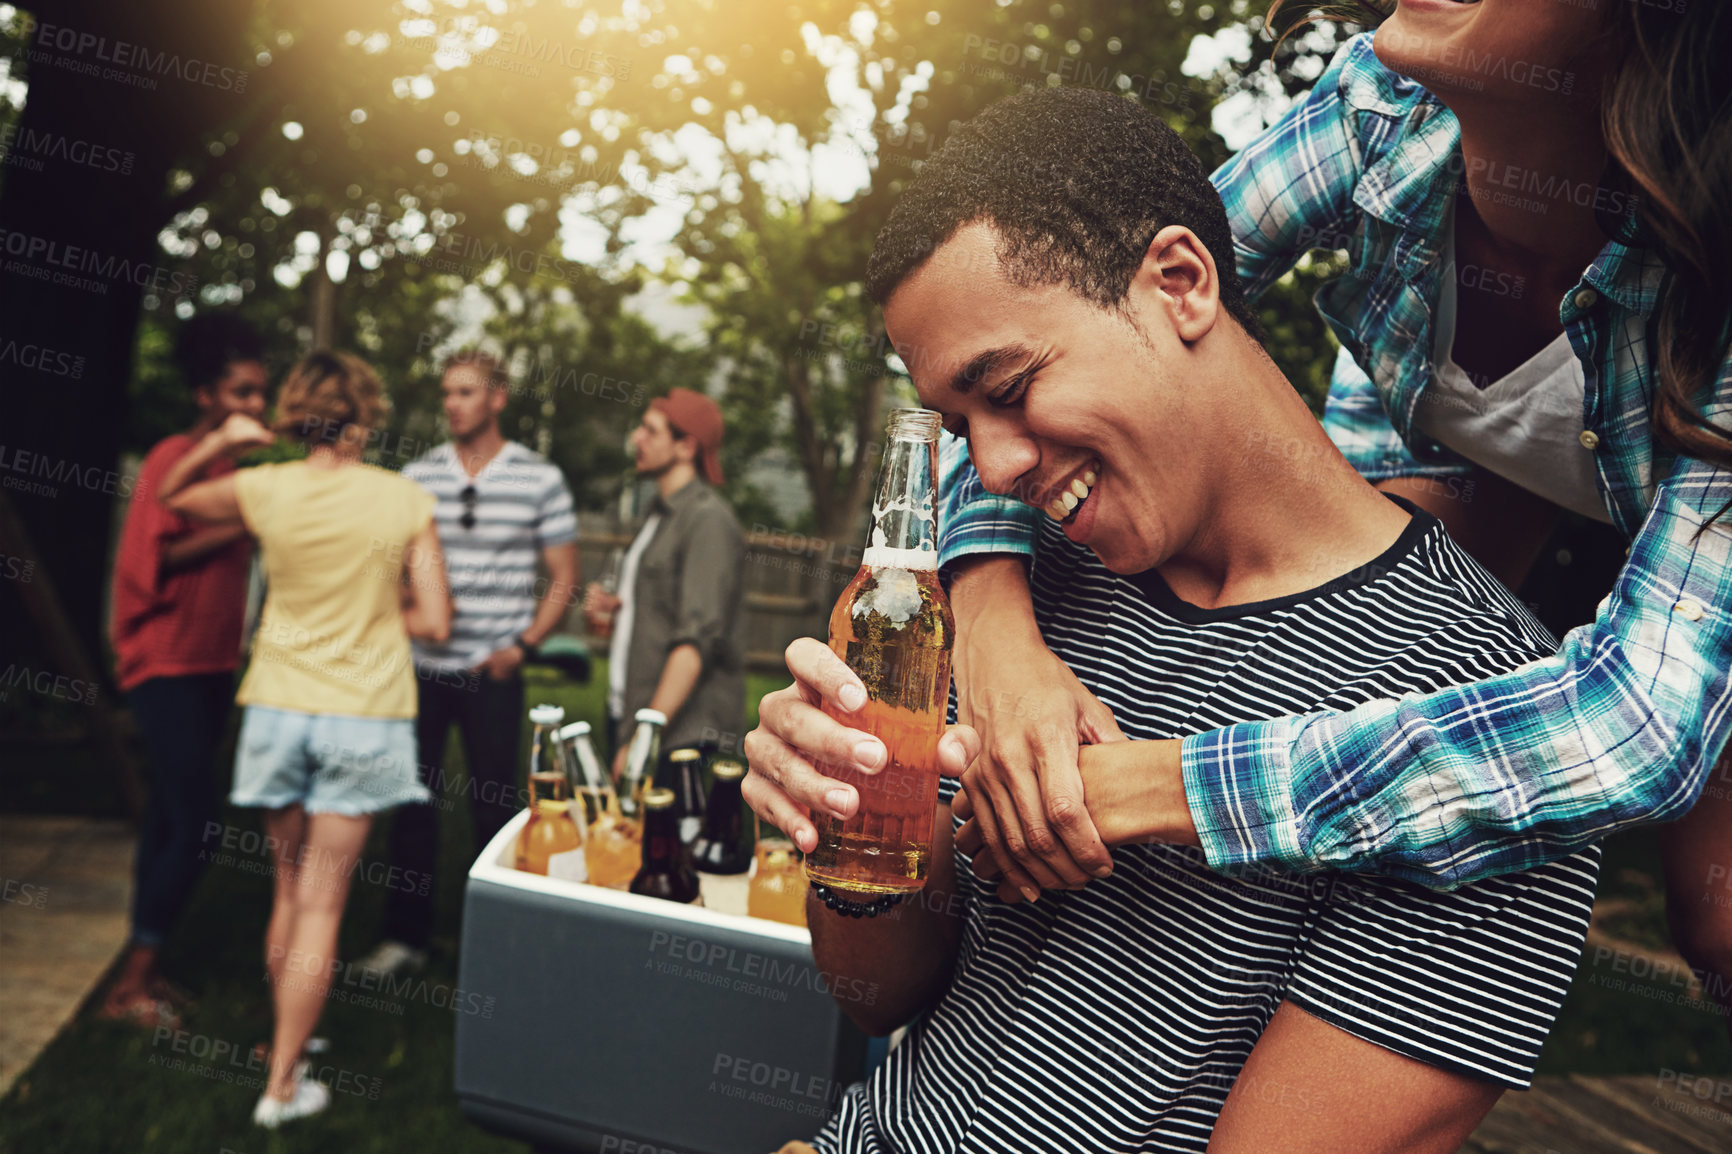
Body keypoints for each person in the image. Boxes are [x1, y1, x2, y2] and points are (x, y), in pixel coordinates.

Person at [744, 86, 1600, 1152]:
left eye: (1008, 384)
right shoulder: (995, 589)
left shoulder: (1492, 727)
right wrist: (864, 834)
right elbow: (875, 996)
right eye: (962, 423)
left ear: (1181, 284)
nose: (996, 465)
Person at [871, 0, 1732, 1005]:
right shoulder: (1382, 108)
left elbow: (1630, 727)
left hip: (1683, 553)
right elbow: (1062, 315)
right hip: (1446, 459)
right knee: (1353, 668)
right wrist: (996, 643)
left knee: (1711, 915)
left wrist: (1143, 786)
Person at [158, 350, 451, 1128]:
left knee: (288, 889)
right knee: (323, 905)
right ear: (364, 415)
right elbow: (438, 621)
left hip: (278, 709)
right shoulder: (403, 499)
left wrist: (227, 438)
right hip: (363, 712)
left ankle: (290, 1040)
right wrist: (380, 611)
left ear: (294, 413)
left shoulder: (267, 486)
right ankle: (284, 1087)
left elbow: (172, 497)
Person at [357, 350, 579, 980]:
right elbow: (393, 572)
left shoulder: (539, 477)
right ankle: (404, 939)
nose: (452, 403)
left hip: (494, 672)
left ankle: (497, 942)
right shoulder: (417, 476)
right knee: (413, 804)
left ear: (498, 398)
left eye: (466, 392)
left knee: (495, 807)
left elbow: (564, 579)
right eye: (447, 393)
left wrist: (524, 648)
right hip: (421, 668)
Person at [103, 313, 269, 1027]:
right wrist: (248, 520)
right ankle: (131, 985)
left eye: (261, 395)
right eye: (242, 393)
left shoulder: (231, 471)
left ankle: (148, 967)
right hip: (164, 660)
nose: (255, 408)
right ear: (206, 396)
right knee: (198, 820)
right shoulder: (176, 455)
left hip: (209, 664)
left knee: (171, 819)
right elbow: (154, 559)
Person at [584, 388, 746, 771]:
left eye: (650, 431)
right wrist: (619, 609)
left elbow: (696, 640)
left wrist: (644, 738)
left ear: (686, 447)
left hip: (676, 734)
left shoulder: (707, 521)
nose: (636, 439)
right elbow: (661, 607)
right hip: (632, 713)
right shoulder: (658, 513)